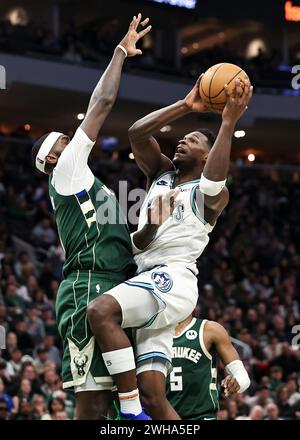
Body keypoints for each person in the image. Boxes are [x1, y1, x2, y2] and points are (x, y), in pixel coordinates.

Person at [87, 75, 253, 419]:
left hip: (171, 281)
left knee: (100, 311)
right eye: (183, 137)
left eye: (192, 141)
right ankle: (141, 408)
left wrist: (227, 123)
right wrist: (185, 105)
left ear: (207, 156)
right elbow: (137, 133)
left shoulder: (212, 196)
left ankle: (129, 410)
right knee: (153, 396)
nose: (182, 141)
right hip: (147, 282)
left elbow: (213, 180)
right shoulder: (160, 174)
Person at [31, 13, 151, 420]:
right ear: (51, 157)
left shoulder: (87, 182)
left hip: (113, 284)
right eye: (65, 140)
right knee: (93, 400)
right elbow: (100, 103)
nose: (75, 139)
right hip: (88, 287)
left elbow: (121, 239)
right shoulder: (65, 172)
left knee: (116, 400)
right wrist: (120, 53)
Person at [165, 314, 250, 420]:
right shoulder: (152, 333)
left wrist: (237, 382)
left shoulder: (210, 329)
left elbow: (242, 376)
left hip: (202, 416)